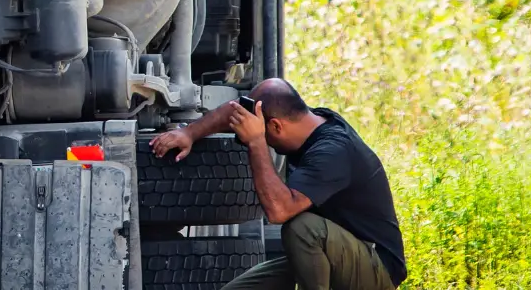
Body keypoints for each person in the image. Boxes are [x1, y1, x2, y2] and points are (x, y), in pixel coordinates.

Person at [149, 79, 406, 290]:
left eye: (267, 134)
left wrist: (256, 142)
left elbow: (279, 211)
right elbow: (235, 111)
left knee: (302, 227)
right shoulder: (307, 121)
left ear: (274, 126)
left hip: (374, 269)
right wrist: (188, 133)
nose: (269, 143)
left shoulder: (333, 152)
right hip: (333, 254)